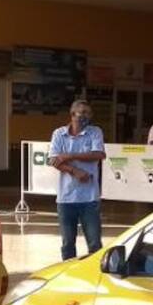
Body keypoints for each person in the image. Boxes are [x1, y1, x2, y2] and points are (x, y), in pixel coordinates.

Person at [48, 100, 105, 261]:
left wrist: (70, 156)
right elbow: (53, 160)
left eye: (89, 113)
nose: (86, 116)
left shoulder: (95, 132)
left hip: (89, 198)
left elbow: (99, 154)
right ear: (73, 114)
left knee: (94, 244)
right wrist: (75, 171)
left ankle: (95, 274)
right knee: (67, 244)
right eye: (83, 112)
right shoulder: (59, 134)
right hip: (66, 198)